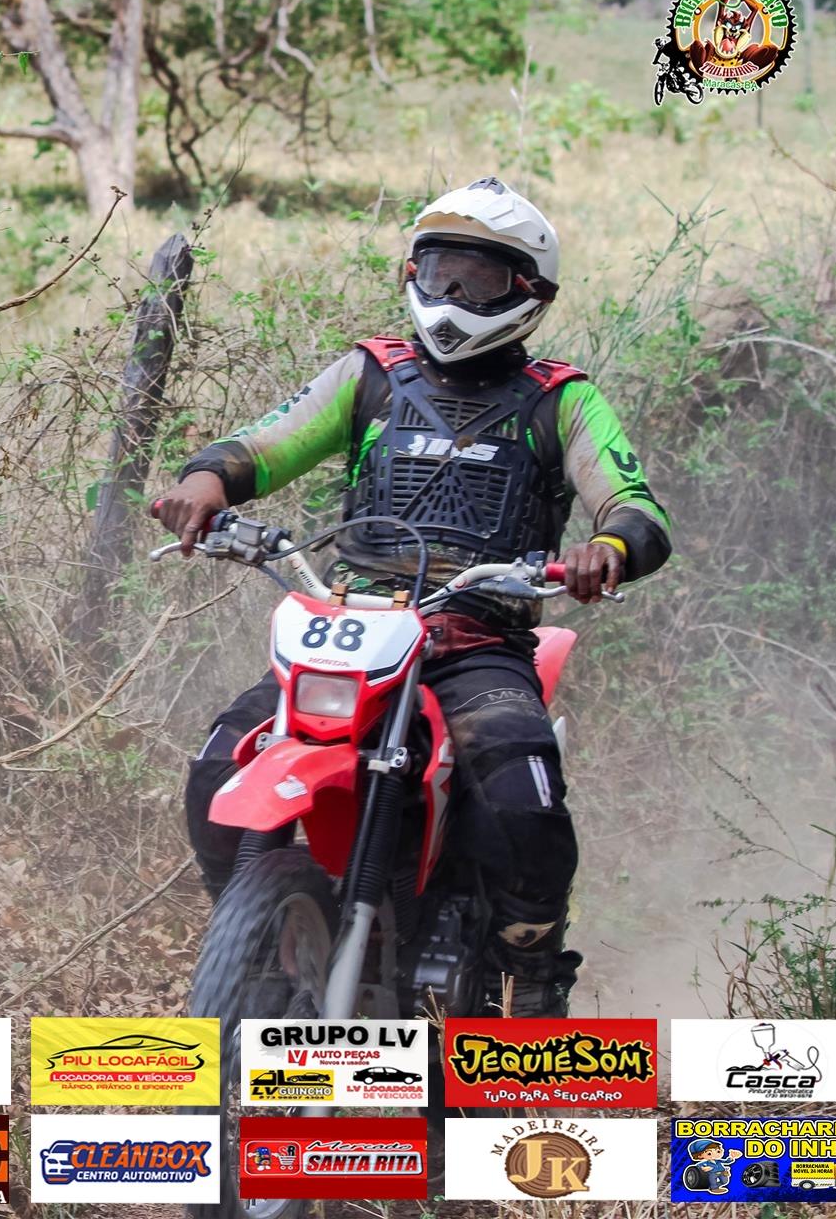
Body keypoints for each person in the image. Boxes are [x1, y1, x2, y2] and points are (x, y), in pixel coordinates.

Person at [154, 177, 672, 1017]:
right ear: (411, 273)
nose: (453, 294)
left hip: (478, 639)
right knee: (219, 761)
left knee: (521, 795)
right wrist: (207, 483)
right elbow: (265, 443)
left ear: (530, 293)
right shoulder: (373, 375)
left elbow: (634, 506)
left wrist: (605, 549)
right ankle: (256, 929)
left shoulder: (562, 401)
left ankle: (531, 970)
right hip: (353, 628)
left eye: (479, 278)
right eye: (440, 273)